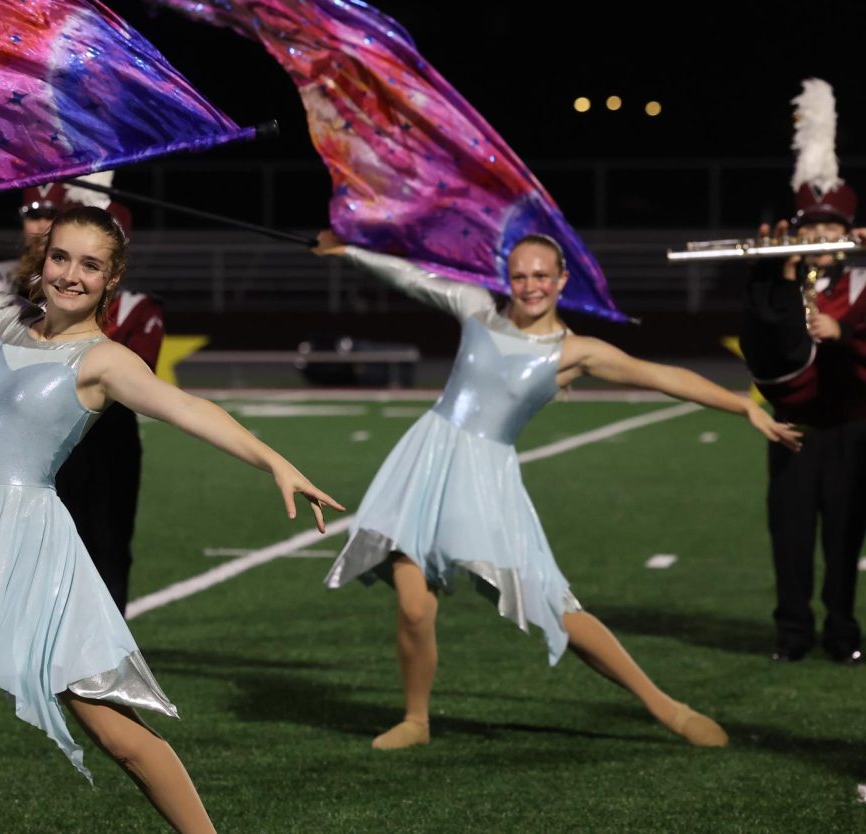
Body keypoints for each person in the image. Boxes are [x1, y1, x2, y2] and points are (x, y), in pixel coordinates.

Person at [0, 204, 341, 834]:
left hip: (31, 549)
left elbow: (190, 409)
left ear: (112, 279)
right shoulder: (1, 319)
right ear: (41, 258)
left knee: (117, 733)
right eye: (61, 257)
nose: (71, 274)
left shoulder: (104, 361)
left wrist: (274, 461)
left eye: (91, 265)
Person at [313, 229, 801, 751]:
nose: (530, 285)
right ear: (507, 278)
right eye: (520, 275)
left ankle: (668, 708)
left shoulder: (575, 352)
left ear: (562, 280)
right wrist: (349, 252)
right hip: (425, 462)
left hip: (485, 480)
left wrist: (743, 405)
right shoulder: (476, 309)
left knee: (556, 608)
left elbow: (658, 375)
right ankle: (416, 719)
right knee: (413, 606)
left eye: (542, 275)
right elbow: (412, 277)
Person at [0, 180, 162, 612]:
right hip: (37, 444)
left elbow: (137, 387)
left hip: (104, 441)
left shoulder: (137, 308)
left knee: (107, 547)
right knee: (33, 556)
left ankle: (102, 658)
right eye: (63, 255)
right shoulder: (17, 304)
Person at [741, 191, 866, 664]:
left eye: (830, 228)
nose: (820, 236)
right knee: (790, 533)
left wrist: (844, 332)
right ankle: (792, 633)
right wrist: (773, 274)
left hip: (852, 429)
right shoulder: (784, 273)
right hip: (794, 427)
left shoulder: (862, 277)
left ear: (846, 232)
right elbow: (761, 337)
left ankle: (842, 632)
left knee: (844, 533)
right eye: (811, 227)